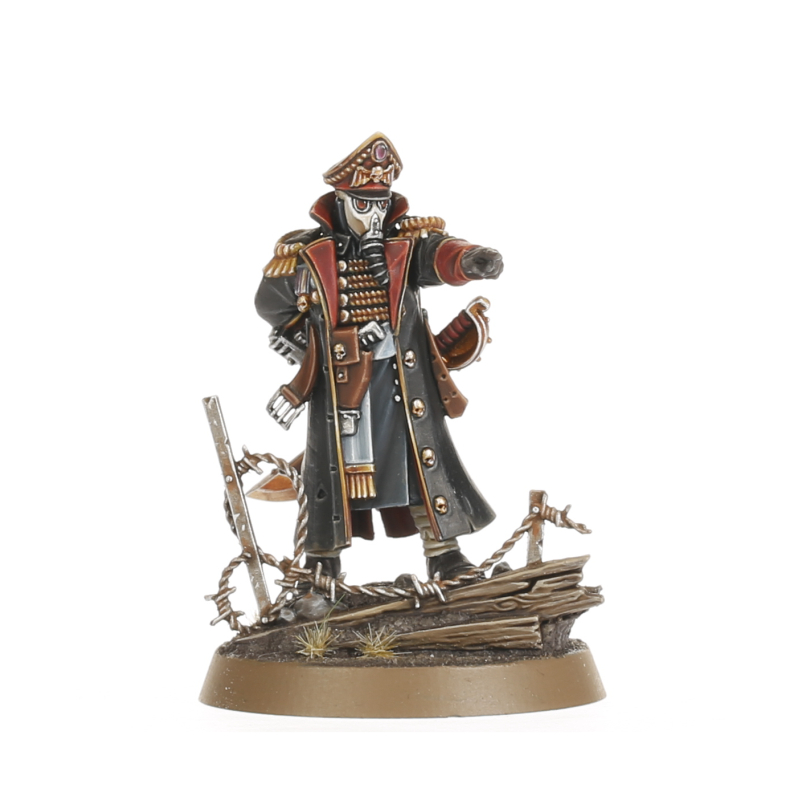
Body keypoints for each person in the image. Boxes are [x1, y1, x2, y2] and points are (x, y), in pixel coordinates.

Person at [254, 133, 503, 593]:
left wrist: (471, 260)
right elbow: (270, 305)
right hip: (341, 390)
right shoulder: (307, 258)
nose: (373, 216)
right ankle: (321, 565)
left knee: (419, 460)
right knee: (332, 472)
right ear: (340, 201)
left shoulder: (402, 248)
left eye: (381, 205)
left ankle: (444, 555)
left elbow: (438, 254)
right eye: (363, 205)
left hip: (401, 381)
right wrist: (314, 351)